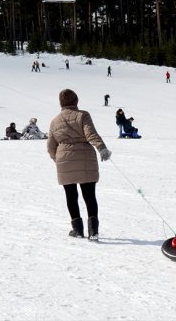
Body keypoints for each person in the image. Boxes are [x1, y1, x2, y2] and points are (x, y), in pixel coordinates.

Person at [47, 88, 111, 241]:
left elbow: (50, 146)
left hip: (64, 160)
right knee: (89, 195)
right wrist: (101, 148)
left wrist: (59, 160)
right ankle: (93, 231)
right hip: (85, 157)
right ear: (76, 101)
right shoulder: (82, 115)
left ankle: (77, 230)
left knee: (71, 196)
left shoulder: (54, 121)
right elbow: (91, 134)